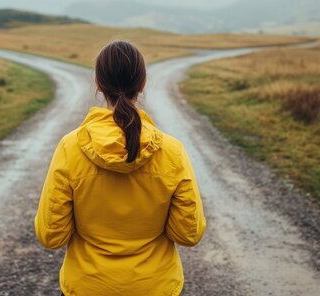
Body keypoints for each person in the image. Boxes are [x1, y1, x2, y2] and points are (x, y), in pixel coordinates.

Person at [34, 40, 206, 296]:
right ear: (143, 84)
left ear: (98, 84)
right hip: (155, 288)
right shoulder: (172, 151)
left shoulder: (70, 148)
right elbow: (188, 234)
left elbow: (51, 236)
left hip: (87, 287)